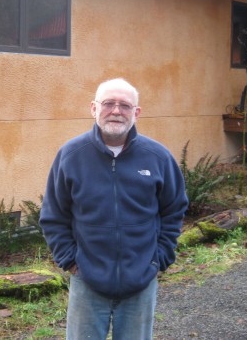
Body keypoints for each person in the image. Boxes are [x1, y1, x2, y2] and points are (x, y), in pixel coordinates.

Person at [39, 78, 188, 340]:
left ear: (136, 113)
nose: (116, 111)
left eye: (125, 105)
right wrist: (72, 262)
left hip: (141, 281)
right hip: (87, 280)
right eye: (108, 103)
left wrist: (159, 258)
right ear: (94, 108)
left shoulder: (158, 157)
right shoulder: (71, 155)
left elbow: (174, 209)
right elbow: (53, 216)